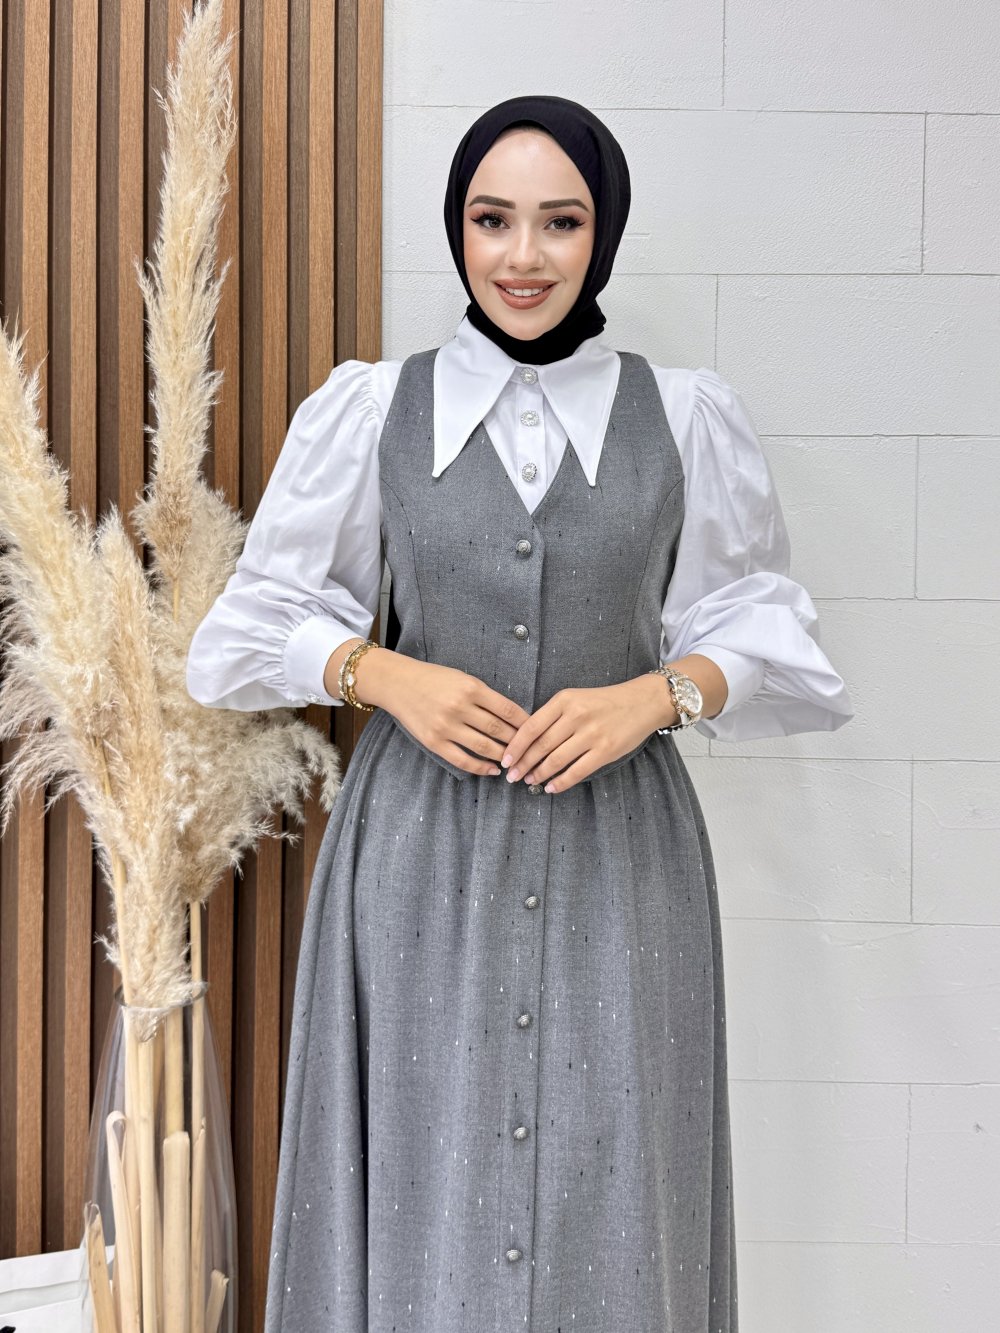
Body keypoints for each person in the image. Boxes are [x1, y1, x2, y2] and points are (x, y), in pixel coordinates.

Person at [186, 94, 854, 1333]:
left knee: (621, 1166)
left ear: (604, 234)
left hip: (622, 855)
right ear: (458, 228)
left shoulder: (685, 415)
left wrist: (656, 695)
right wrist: (384, 672)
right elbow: (235, 639)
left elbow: (768, 632)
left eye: (561, 221)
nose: (523, 256)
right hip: (417, 854)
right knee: (422, 1160)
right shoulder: (372, 410)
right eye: (492, 220)